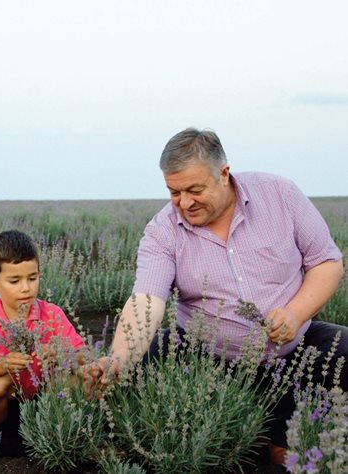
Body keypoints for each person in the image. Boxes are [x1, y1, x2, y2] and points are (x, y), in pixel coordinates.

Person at [105, 128, 346, 465]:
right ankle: (253, 436)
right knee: (143, 363)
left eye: (194, 190)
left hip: (293, 351)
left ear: (223, 174)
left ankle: (275, 434)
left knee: (342, 349)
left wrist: (295, 313)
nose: (184, 202)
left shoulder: (280, 194)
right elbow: (146, 301)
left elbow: (326, 262)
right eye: (174, 192)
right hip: (208, 361)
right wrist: (118, 360)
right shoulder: (162, 231)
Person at [0, 230, 85, 466]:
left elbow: (85, 356)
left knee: (75, 379)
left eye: (32, 278)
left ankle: (60, 438)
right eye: (14, 281)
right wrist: (2, 364)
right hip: (3, 410)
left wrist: (64, 352)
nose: (25, 288)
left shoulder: (51, 314)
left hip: (46, 406)